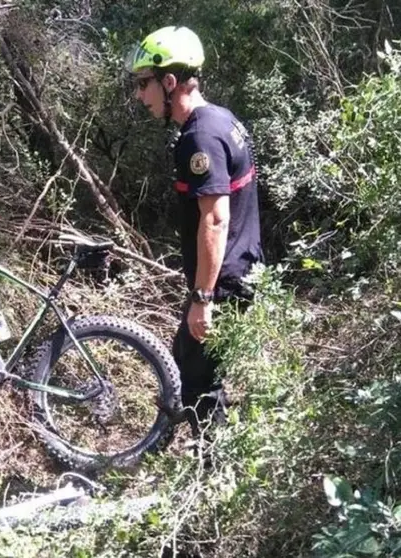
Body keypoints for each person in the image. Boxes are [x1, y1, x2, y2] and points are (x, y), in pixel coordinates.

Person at [128, 26, 264, 436]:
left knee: (200, 382)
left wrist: (204, 297)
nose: (140, 95)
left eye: (143, 84)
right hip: (239, 270)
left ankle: (215, 473)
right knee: (185, 361)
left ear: (169, 82)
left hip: (224, 282)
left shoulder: (199, 136)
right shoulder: (222, 119)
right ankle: (201, 458)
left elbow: (216, 218)